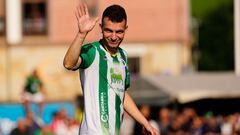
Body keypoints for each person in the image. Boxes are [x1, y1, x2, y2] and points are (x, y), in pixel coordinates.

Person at [63, 1, 159, 135]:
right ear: (101, 28)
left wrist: (145, 123)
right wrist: (81, 34)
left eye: (119, 32)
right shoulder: (93, 51)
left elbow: (122, 94)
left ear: (126, 29)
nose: (114, 37)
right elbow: (68, 63)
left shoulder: (123, 57)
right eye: (109, 31)